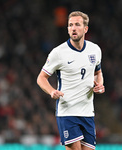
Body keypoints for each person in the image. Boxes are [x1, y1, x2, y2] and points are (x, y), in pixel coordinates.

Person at [37, 11, 105, 150]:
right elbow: (41, 78)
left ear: (85, 29)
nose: (73, 28)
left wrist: (100, 84)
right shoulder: (58, 53)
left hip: (87, 112)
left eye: (77, 25)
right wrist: (51, 91)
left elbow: (98, 72)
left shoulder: (95, 50)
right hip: (67, 112)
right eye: (70, 25)